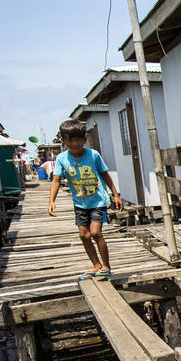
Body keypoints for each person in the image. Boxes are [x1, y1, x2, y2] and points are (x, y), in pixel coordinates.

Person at [48, 119, 123, 279]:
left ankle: (106, 266)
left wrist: (115, 195)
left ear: (85, 139)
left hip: (98, 201)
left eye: (78, 140)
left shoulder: (93, 155)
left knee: (96, 233)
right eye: (70, 140)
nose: (75, 143)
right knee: (84, 235)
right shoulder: (62, 159)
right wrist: (51, 201)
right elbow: (56, 179)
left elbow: (105, 174)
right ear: (63, 140)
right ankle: (96, 265)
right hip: (80, 203)